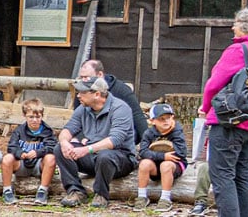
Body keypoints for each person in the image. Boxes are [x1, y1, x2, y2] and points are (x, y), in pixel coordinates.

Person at [201, 8, 248, 216]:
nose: (233, 27)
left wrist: (205, 107)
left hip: (231, 120)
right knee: (241, 175)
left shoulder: (238, 50)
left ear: (247, 27)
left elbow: (214, 84)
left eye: (237, 23)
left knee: (222, 175)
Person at [57, 77, 139, 208]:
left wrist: (86, 149)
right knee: (59, 149)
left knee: (105, 155)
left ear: (97, 94)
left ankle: (101, 195)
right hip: (93, 155)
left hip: (120, 158)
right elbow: (68, 129)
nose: (78, 95)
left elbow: (115, 140)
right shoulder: (83, 109)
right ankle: (75, 191)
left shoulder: (120, 108)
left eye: (83, 92)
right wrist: (64, 142)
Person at [0, 99, 58, 205]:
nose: (34, 120)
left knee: (51, 158)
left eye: (38, 117)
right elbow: (11, 147)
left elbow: (52, 147)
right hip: (22, 163)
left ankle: (43, 191)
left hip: (39, 164)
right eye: (31, 117)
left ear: (42, 116)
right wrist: (20, 153)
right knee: (7, 158)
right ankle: (7, 190)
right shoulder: (19, 130)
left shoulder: (47, 131)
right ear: (24, 116)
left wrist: (38, 152)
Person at [77, 60, 148, 146]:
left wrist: (147, 143)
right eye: (81, 77)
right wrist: (81, 137)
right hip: (92, 133)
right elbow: (78, 120)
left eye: (86, 77)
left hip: (120, 134)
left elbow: (137, 115)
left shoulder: (121, 90)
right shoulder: (81, 93)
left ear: (100, 74)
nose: (83, 81)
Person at [133, 104, 187, 211]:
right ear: (152, 121)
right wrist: (162, 156)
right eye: (161, 119)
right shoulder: (149, 133)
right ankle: (142, 196)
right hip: (155, 166)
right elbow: (143, 152)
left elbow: (181, 153)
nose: (166, 121)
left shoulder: (177, 131)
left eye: (168, 118)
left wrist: (167, 157)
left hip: (174, 165)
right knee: (144, 164)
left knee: (165, 165)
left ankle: (165, 198)